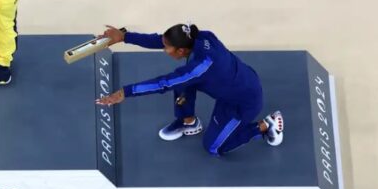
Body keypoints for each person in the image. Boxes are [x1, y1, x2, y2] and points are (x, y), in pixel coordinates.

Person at [95, 24, 284, 156]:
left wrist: (124, 93)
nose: (164, 50)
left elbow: (164, 83)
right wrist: (124, 37)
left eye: (167, 48)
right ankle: (189, 121)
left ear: (181, 51)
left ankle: (265, 125)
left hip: (242, 102)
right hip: (237, 81)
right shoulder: (200, 37)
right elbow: (160, 40)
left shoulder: (199, 67)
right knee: (184, 82)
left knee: (213, 147)